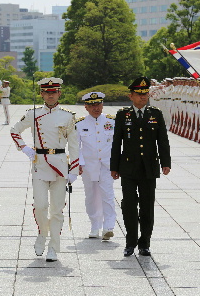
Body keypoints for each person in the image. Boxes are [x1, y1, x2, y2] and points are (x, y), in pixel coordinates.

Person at [10, 77, 79, 262]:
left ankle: (54, 247)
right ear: (41, 94)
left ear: (59, 93)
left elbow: (73, 144)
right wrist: (24, 148)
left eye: (54, 92)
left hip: (59, 165)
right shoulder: (33, 114)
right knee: (40, 206)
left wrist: (74, 169)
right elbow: (15, 131)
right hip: (40, 164)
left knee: (57, 210)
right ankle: (42, 232)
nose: (50, 95)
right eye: (47, 92)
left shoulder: (68, 116)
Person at [110, 77, 171, 257]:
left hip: (149, 168)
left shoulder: (155, 114)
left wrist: (165, 162)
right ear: (131, 96)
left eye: (145, 94)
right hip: (128, 167)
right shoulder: (123, 114)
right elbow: (116, 143)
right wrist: (114, 167)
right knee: (129, 205)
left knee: (147, 207)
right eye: (139, 94)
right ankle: (130, 242)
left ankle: (144, 243)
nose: (143, 97)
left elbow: (163, 140)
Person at [76, 92, 116, 240]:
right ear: (86, 107)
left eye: (98, 104)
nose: (96, 108)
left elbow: (118, 144)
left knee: (107, 194)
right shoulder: (79, 124)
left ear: (102, 105)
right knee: (92, 196)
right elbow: (76, 146)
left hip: (107, 164)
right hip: (88, 165)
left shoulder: (112, 122)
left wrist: (118, 163)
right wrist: (78, 163)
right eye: (92, 105)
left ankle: (109, 226)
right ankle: (95, 225)